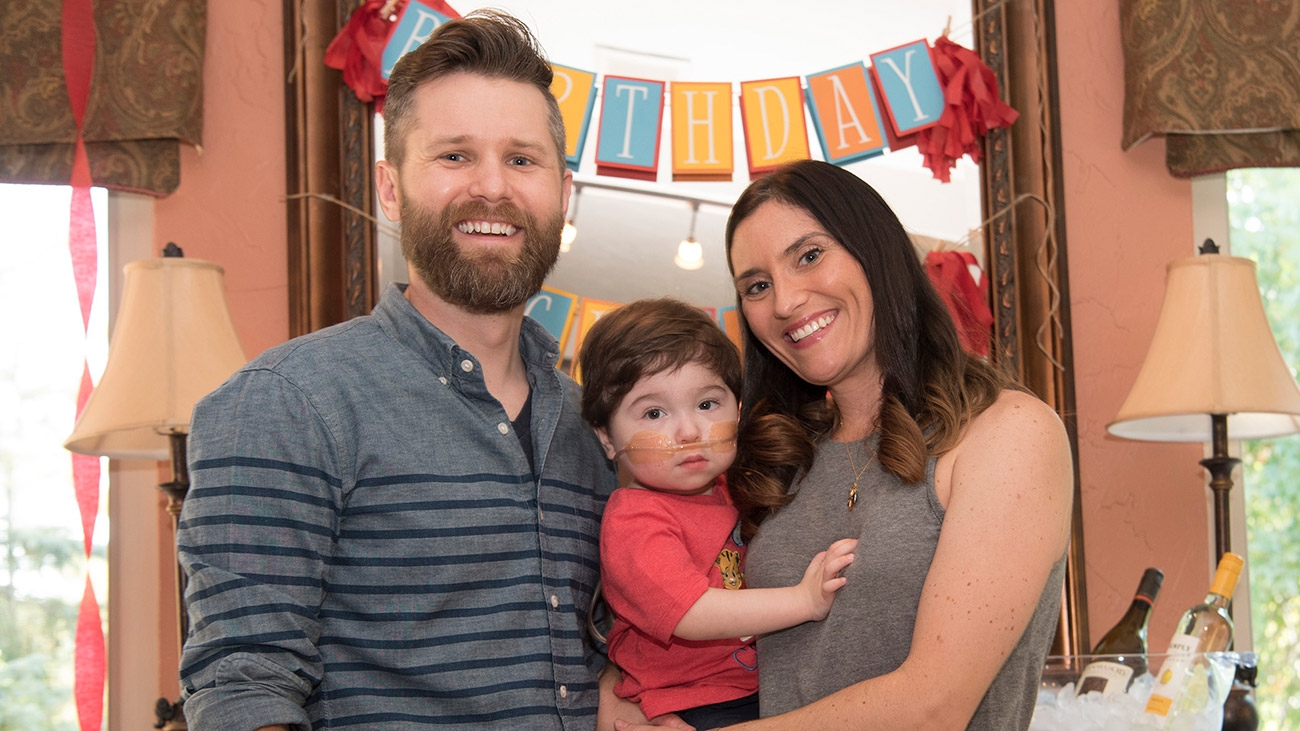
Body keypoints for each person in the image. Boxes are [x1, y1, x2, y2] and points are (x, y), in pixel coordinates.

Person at [176, 11, 621, 730]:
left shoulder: (591, 424)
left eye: (522, 159)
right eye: (454, 156)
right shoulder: (289, 402)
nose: (492, 187)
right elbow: (244, 683)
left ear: (562, 191)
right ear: (390, 188)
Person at [618, 160, 1073, 731]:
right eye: (757, 286)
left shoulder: (1009, 432)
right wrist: (621, 691)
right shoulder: (770, 455)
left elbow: (934, 707)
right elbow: (676, 609)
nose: (784, 302)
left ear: (875, 251)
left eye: (809, 256)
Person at [577, 298, 857, 730]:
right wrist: (803, 601)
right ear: (608, 439)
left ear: (738, 409)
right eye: (654, 413)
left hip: (759, 689)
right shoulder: (635, 520)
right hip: (692, 705)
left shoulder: (736, 488)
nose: (689, 432)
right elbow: (691, 614)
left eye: (708, 405)